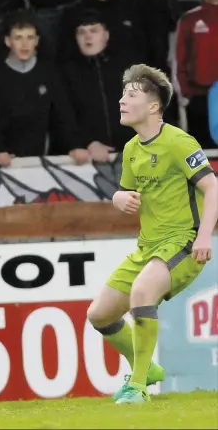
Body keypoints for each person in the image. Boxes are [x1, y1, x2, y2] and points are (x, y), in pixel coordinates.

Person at [87, 64, 218, 404]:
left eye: (130, 95)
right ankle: (146, 366)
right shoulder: (132, 149)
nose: (121, 101)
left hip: (184, 243)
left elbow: (212, 186)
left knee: (143, 291)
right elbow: (127, 193)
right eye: (122, 94)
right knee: (99, 314)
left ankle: (138, 385)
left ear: (154, 107)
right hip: (148, 247)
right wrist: (118, 197)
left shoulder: (179, 142)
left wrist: (205, 236)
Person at [0, 10, 90, 166]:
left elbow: (63, 115)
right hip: (5, 161)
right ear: (8, 41)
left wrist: (75, 145)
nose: (25, 44)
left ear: (37, 41)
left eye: (30, 37)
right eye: (18, 38)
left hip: (43, 159)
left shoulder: (49, 73)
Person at [59, 10, 135, 162]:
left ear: (105, 35)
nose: (88, 36)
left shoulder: (129, 68)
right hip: (87, 157)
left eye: (94, 30)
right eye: (81, 32)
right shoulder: (66, 72)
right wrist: (88, 143)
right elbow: (64, 116)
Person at [174, 0, 218, 149]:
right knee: (203, 161)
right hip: (201, 99)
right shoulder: (190, 19)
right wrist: (186, 96)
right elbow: (178, 61)